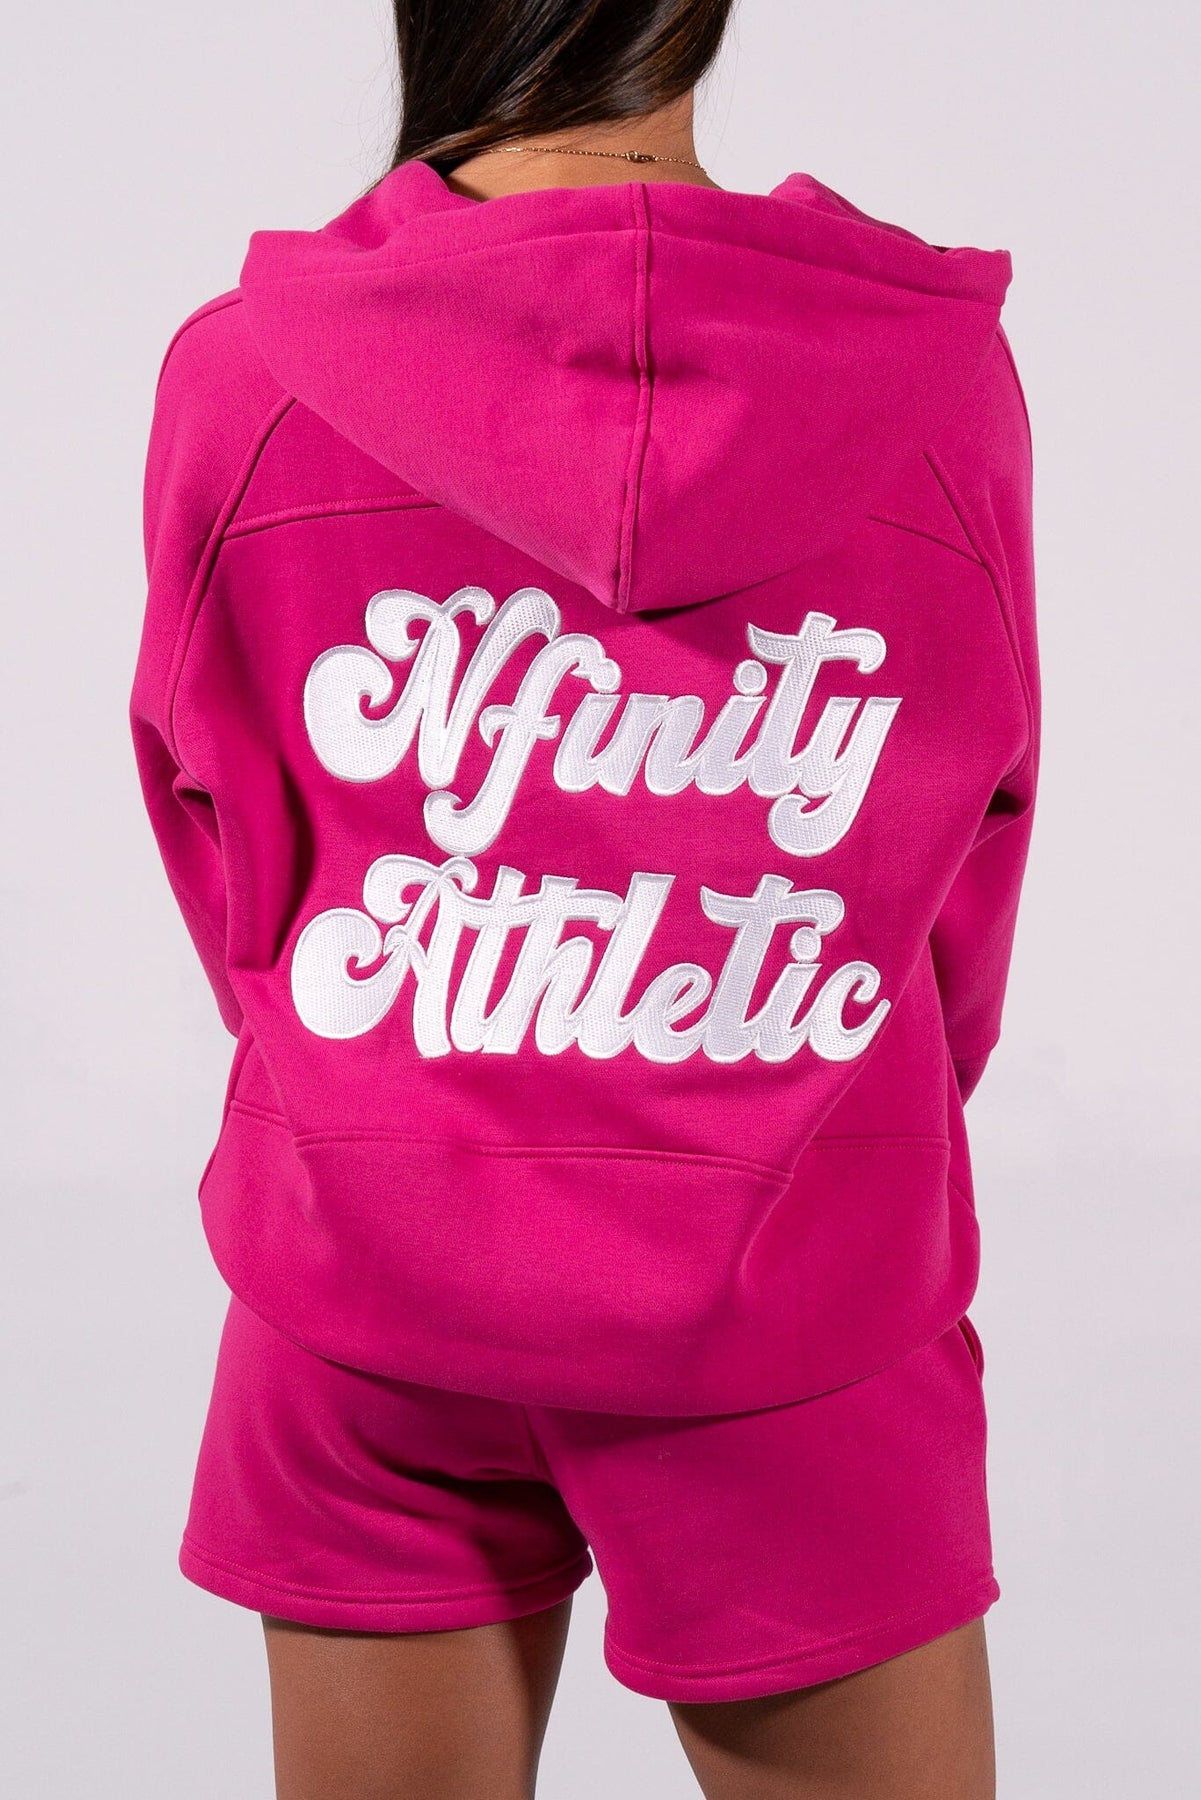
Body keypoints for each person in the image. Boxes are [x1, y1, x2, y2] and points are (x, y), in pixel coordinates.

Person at [130, 1, 1039, 1793]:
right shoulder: (929, 379)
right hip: (798, 1285)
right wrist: (829, 1103)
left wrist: (365, 1075)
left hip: (364, 1273)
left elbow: (210, 808)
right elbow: (975, 828)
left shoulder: (247, 374)